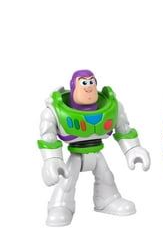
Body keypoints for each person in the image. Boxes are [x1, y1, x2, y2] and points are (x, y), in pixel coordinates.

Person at [38, 69, 150, 226]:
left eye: (92, 82)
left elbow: (124, 130)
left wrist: (133, 149)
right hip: (75, 154)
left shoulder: (113, 107)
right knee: (67, 181)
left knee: (106, 176)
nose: (88, 87)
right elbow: (48, 137)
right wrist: (52, 160)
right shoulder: (54, 111)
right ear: (74, 87)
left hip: (97, 152)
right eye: (84, 83)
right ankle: (60, 205)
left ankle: (107, 199)